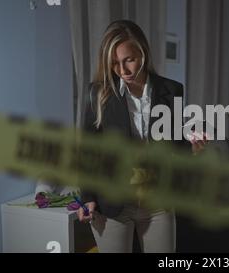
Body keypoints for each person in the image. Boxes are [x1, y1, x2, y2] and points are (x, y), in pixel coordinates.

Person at [77, 20, 205, 253]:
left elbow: (173, 143)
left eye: (129, 60)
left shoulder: (172, 90)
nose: (123, 71)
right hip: (111, 204)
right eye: (114, 63)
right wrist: (88, 197)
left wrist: (193, 147)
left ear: (143, 53)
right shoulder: (97, 93)